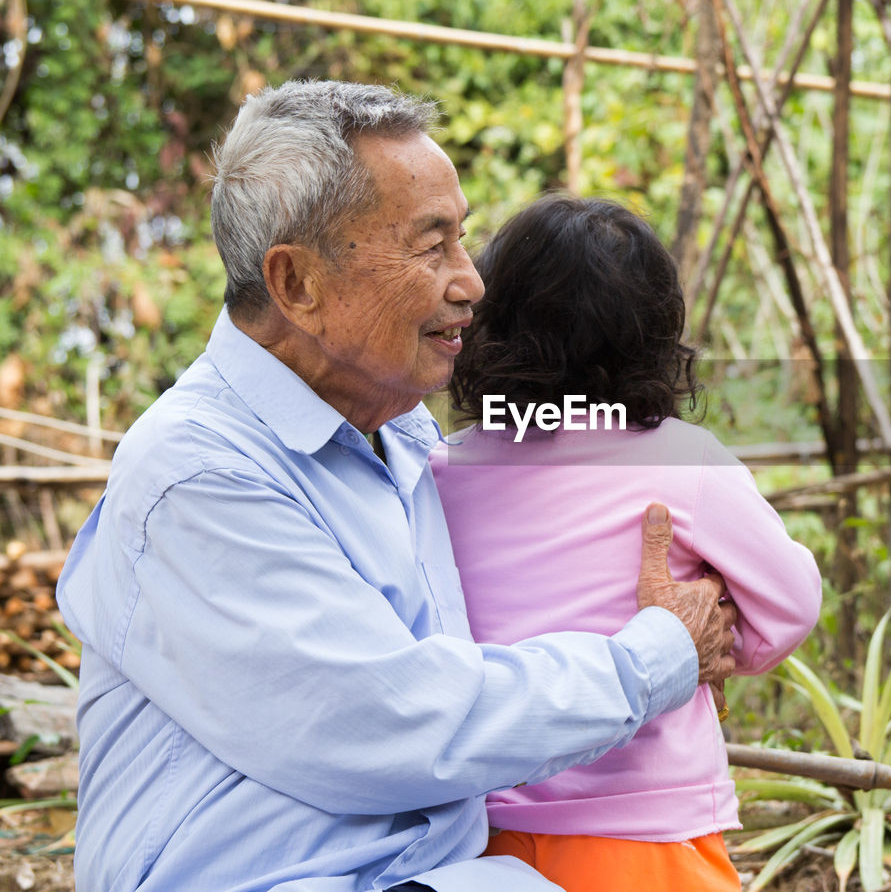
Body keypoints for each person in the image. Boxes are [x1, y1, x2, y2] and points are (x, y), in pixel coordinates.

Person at [55, 81, 738, 892]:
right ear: (298, 283)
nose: (472, 284)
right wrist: (658, 656)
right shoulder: (201, 473)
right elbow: (395, 723)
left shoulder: (405, 437)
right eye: (431, 246)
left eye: (464, 240)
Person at [430, 195, 823, 892]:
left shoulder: (441, 469)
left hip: (477, 842)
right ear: (656, 332)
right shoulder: (683, 462)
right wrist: (705, 643)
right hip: (649, 837)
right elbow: (790, 605)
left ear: (490, 324)